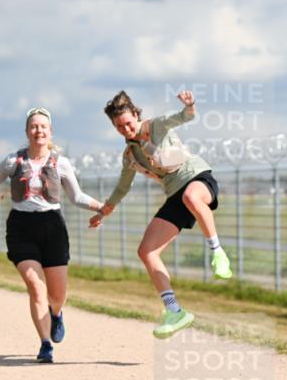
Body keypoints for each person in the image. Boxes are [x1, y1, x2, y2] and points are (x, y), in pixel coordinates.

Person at [0, 108, 103, 363]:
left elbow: (76, 197)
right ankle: (45, 344)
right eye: (34, 126)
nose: (38, 131)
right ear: (27, 132)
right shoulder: (13, 161)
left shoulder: (61, 163)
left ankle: (56, 313)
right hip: (21, 227)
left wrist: (102, 207)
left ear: (50, 131)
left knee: (57, 295)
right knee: (35, 286)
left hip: (53, 227)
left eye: (43, 126)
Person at [90, 90, 232, 339]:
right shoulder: (130, 156)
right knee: (146, 251)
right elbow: (122, 187)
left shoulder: (156, 125)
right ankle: (174, 311)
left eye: (128, 122)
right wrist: (104, 210)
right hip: (174, 194)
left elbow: (182, 117)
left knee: (191, 197)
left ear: (136, 115)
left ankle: (218, 253)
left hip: (198, 178)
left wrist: (190, 106)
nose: (125, 129)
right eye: (119, 127)